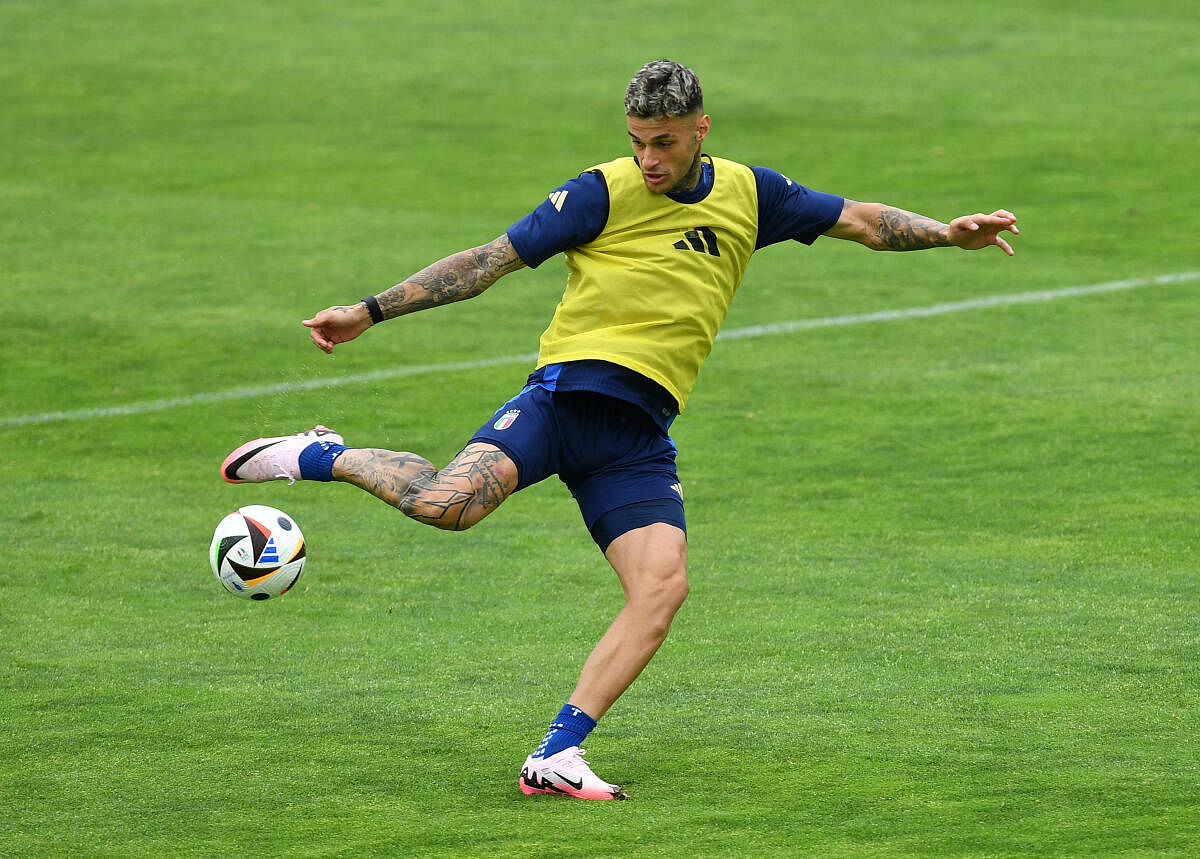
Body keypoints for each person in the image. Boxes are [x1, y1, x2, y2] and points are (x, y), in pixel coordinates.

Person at [221, 59, 1018, 801]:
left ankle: (557, 753)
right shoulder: (599, 192)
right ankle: (317, 453)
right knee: (445, 506)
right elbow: (489, 260)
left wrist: (947, 233)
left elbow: (861, 219)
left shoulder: (751, 192)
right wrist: (368, 311)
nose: (649, 159)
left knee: (663, 587)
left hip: (636, 435)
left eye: (664, 143)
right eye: (636, 142)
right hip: (564, 400)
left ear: (701, 128)